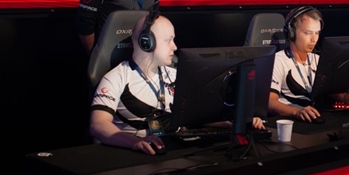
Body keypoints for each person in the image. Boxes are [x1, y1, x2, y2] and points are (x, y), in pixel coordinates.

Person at [89, 14, 265, 155]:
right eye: (169, 40)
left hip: (176, 150)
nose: (174, 46)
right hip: (138, 156)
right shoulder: (117, 77)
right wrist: (135, 142)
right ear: (147, 42)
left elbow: (198, 117)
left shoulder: (176, 74)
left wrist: (240, 121)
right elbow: (98, 125)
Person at [269, 6, 349, 122]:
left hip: (318, 119)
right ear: (291, 33)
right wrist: (297, 112)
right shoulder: (278, 61)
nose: (313, 39)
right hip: (292, 122)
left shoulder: (318, 60)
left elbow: (338, 95)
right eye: (307, 33)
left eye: (317, 33)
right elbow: (270, 102)